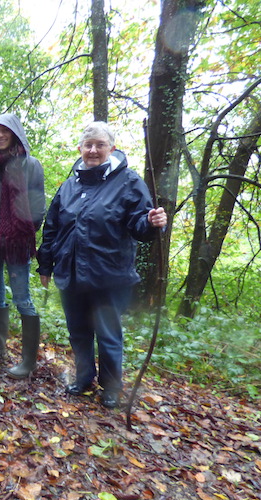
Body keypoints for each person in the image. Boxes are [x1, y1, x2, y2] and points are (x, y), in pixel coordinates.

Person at [36, 121, 167, 408]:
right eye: (88, 145)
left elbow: (140, 226)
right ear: (80, 149)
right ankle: (84, 379)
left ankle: (111, 387)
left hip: (109, 276)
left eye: (100, 145)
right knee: (79, 331)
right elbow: (52, 227)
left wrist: (151, 221)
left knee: (108, 333)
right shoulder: (69, 186)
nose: (93, 150)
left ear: (112, 148)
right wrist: (45, 264)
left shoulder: (129, 182)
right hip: (70, 274)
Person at [0, 114, 46, 378]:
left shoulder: (30, 164)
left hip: (16, 243)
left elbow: (38, 207)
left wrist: (21, 232)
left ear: (15, 134)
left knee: (22, 298)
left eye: (5, 131)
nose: (0, 136)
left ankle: (28, 361)